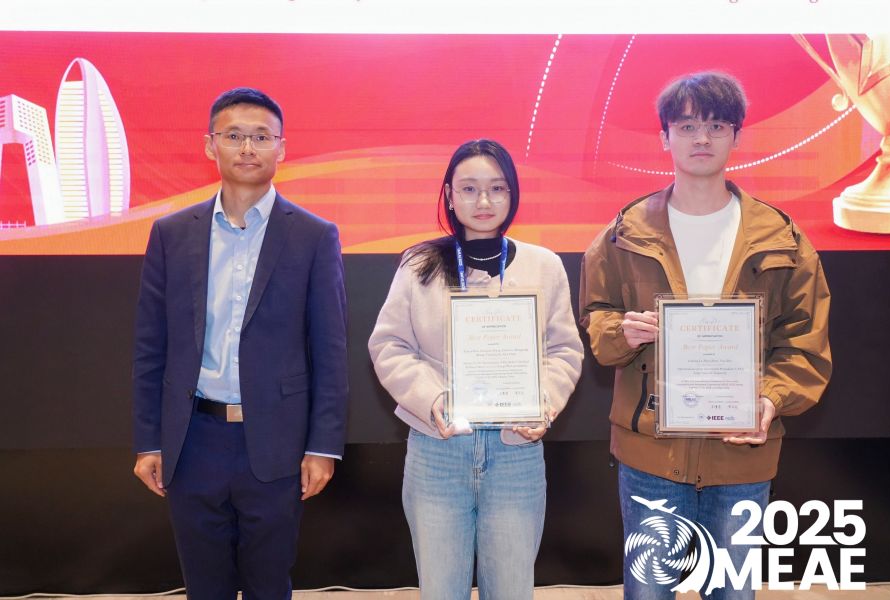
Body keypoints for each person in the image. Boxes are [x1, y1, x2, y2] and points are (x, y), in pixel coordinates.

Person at [579, 72, 831, 599]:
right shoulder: (624, 233)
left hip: (741, 452)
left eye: (717, 126)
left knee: (733, 592)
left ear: (737, 136)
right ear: (664, 137)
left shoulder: (782, 238)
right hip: (650, 454)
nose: (701, 138)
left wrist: (769, 399)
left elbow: (804, 343)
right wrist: (621, 331)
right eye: (687, 126)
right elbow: (596, 318)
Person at [131, 87, 348, 600]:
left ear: (281, 149)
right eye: (233, 136)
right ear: (210, 145)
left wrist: (322, 446)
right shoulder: (171, 233)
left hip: (276, 440)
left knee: (269, 584)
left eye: (261, 137)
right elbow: (150, 346)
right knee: (204, 586)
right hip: (193, 439)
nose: (247, 148)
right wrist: (148, 441)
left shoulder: (314, 236)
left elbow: (331, 351)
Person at [369, 139, 583, 599]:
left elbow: (564, 350)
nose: (483, 201)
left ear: (513, 193)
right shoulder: (419, 264)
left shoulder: (544, 266)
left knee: (511, 589)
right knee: (441, 589)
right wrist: (432, 398)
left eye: (497, 188)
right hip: (438, 449)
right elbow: (389, 345)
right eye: (469, 188)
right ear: (449, 196)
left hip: (515, 451)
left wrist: (543, 403)